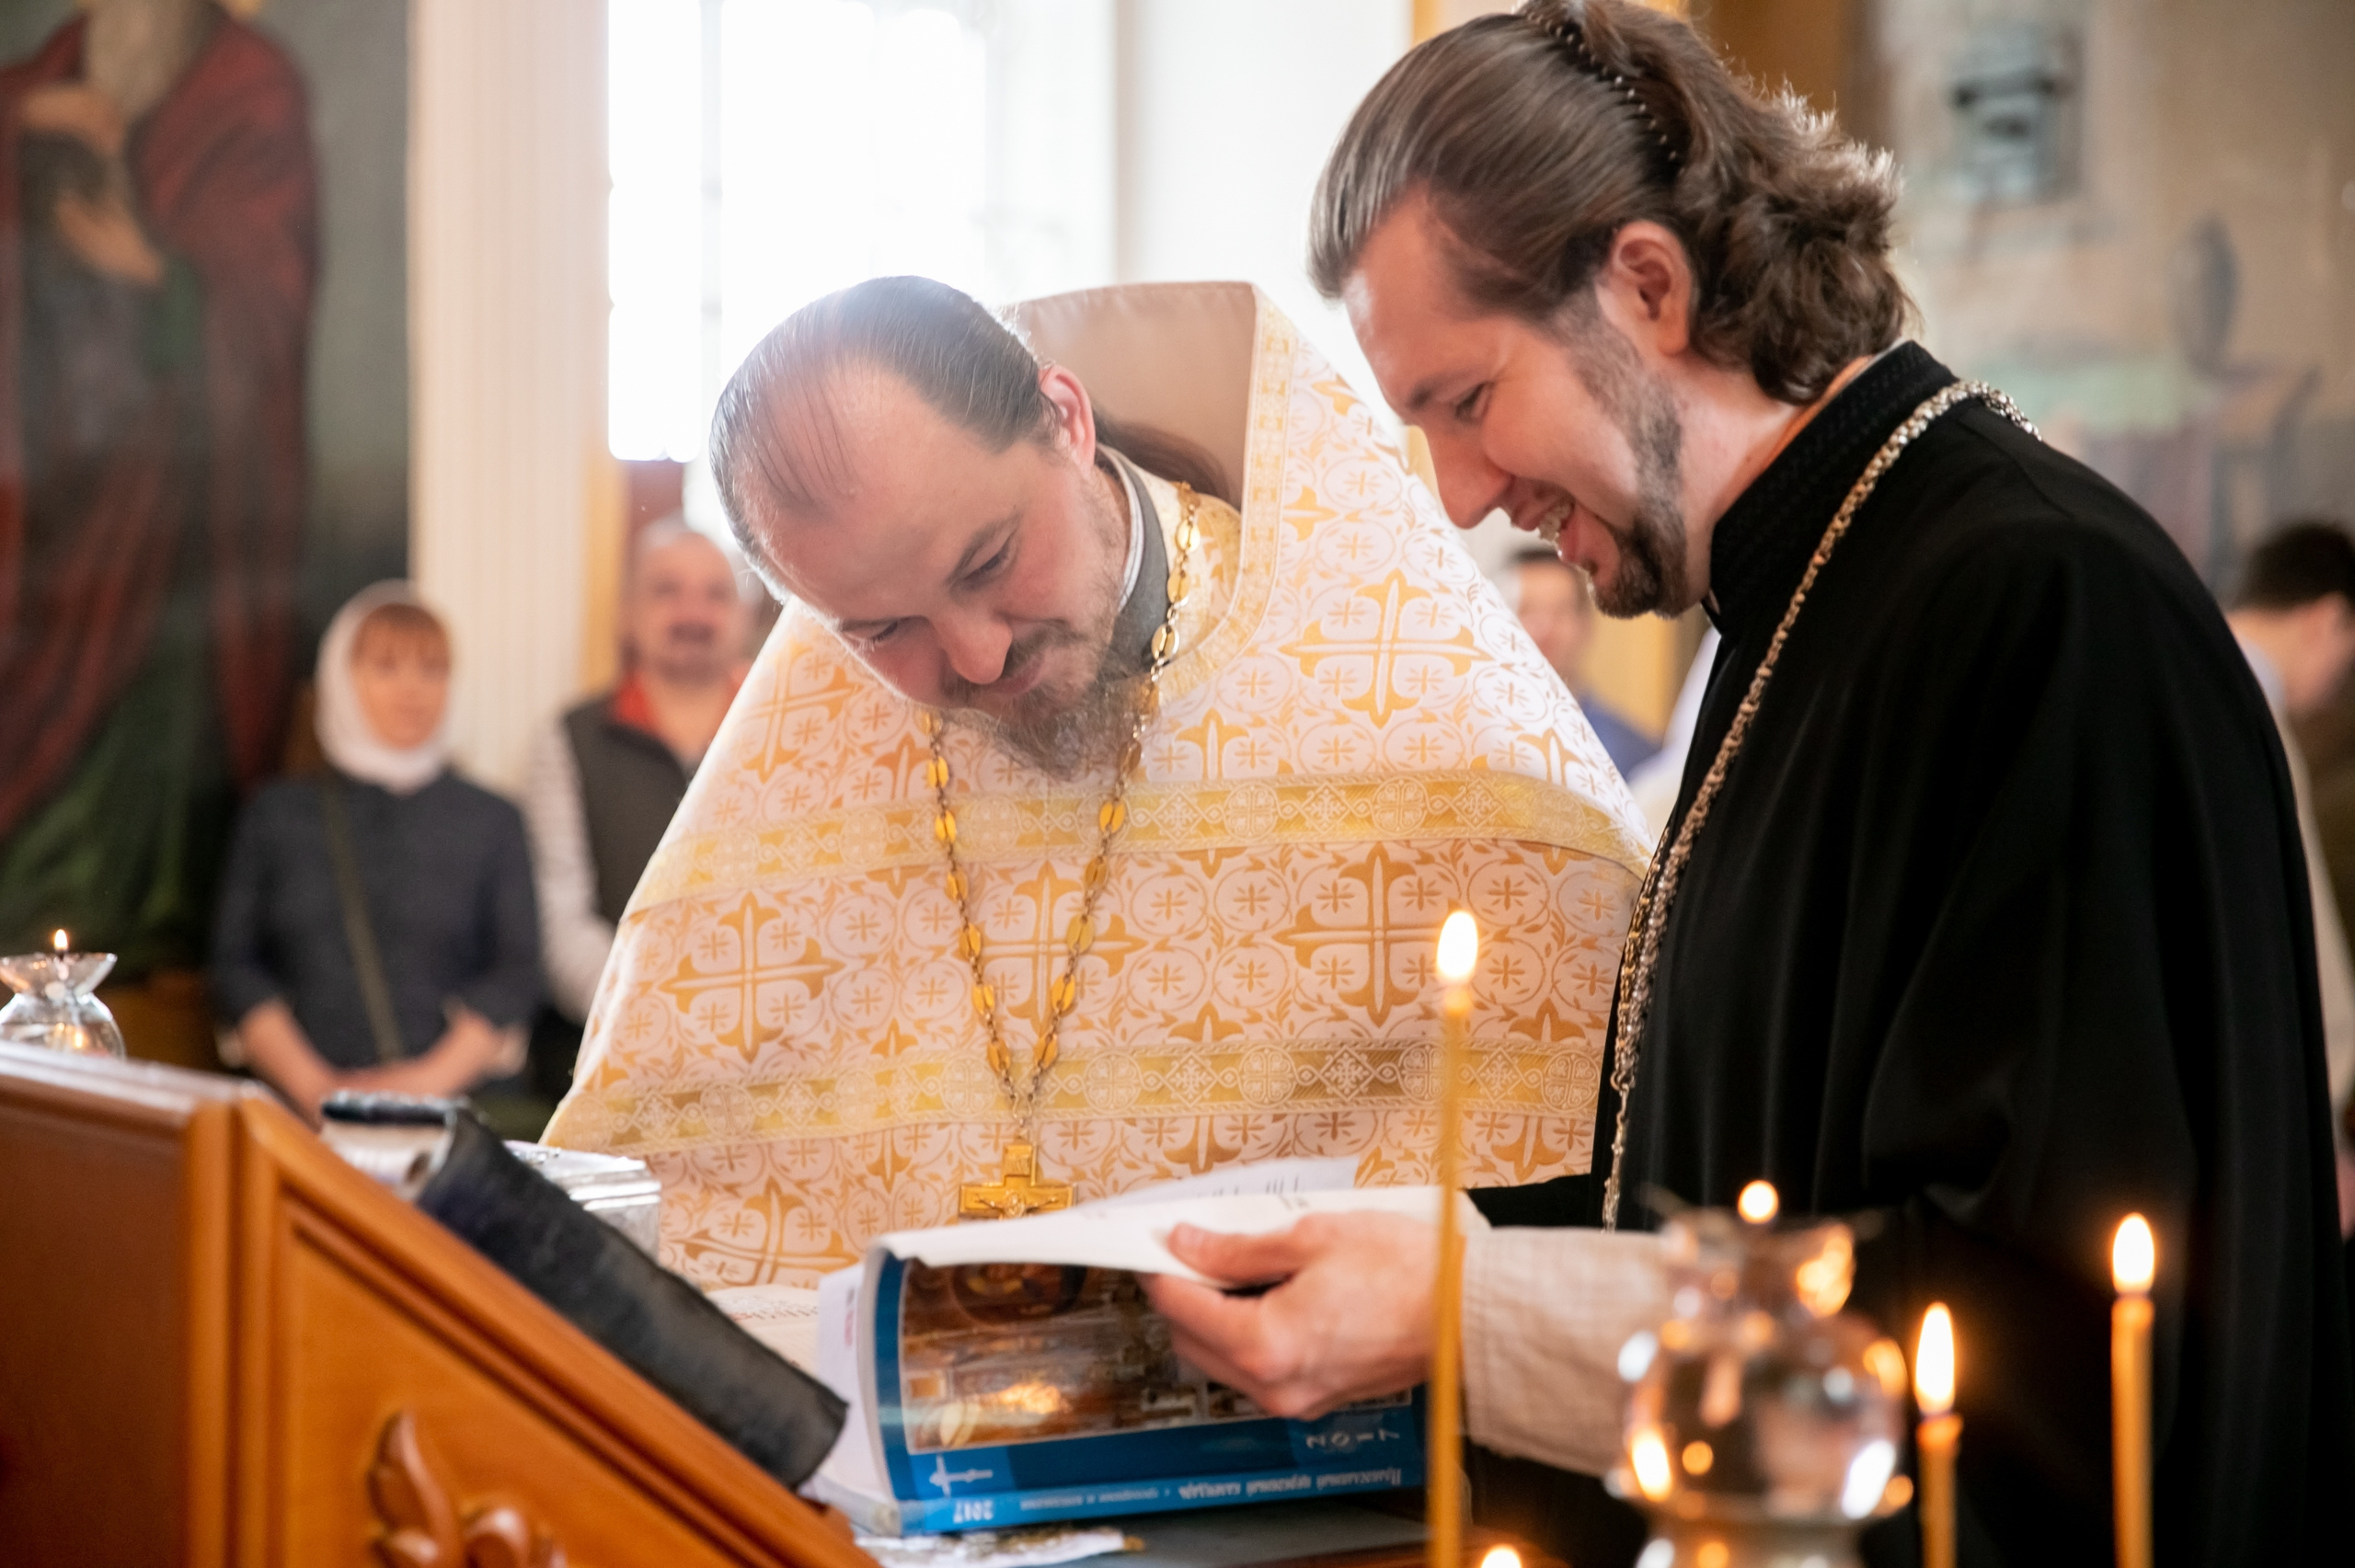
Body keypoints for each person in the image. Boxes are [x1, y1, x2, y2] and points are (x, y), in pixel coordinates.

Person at [1139, 5, 2355, 1564]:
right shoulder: (1801, 603)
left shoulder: (2031, 607)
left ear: (1646, 284)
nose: (1455, 495)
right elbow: (1731, 1175)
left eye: (1468, 399)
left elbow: (2034, 1353)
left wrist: (1478, 1309)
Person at [542, 275, 1651, 1287]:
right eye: (882, 629)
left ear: (1065, 420)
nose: (974, 657)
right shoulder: (806, 748)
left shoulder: (1409, 716)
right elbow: (664, 1196)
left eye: (987, 563)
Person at [0, 0, 316, 973]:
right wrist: (32, 127)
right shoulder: (45, 72)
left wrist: (153, 269)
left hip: (178, 501)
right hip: (48, 472)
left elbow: (266, 292)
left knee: (148, 755)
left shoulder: (247, 84)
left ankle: (134, 941)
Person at [211, 585, 540, 1122]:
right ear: (341, 678)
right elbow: (236, 967)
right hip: (302, 1118)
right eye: (386, 667)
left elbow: (515, 971)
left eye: (431, 669)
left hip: (459, 1117)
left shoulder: (493, 820)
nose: (412, 689)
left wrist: (423, 1087)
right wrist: (317, 1089)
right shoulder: (276, 815)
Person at [523, 520, 752, 1029]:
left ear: (744, 614)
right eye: (667, 590)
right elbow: (561, 923)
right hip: (615, 1050)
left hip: (769, 1050)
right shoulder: (566, 742)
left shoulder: (792, 734)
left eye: (716, 593)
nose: (693, 613)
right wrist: (651, 1020)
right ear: (627, 614)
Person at [2226, 521, 2355, 1232]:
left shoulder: (2190, 665)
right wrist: (2326, 1122)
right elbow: (2292, 925)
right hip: (2262, 1114)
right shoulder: (2248, 705)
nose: (2338, 679)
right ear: (2328, 617)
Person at [1509, 545, 1656, 774]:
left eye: (1559, 612)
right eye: (1525, 610)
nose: (1544, 628)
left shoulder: (1636, 758)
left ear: (1585, 625)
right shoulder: (1462, 741)